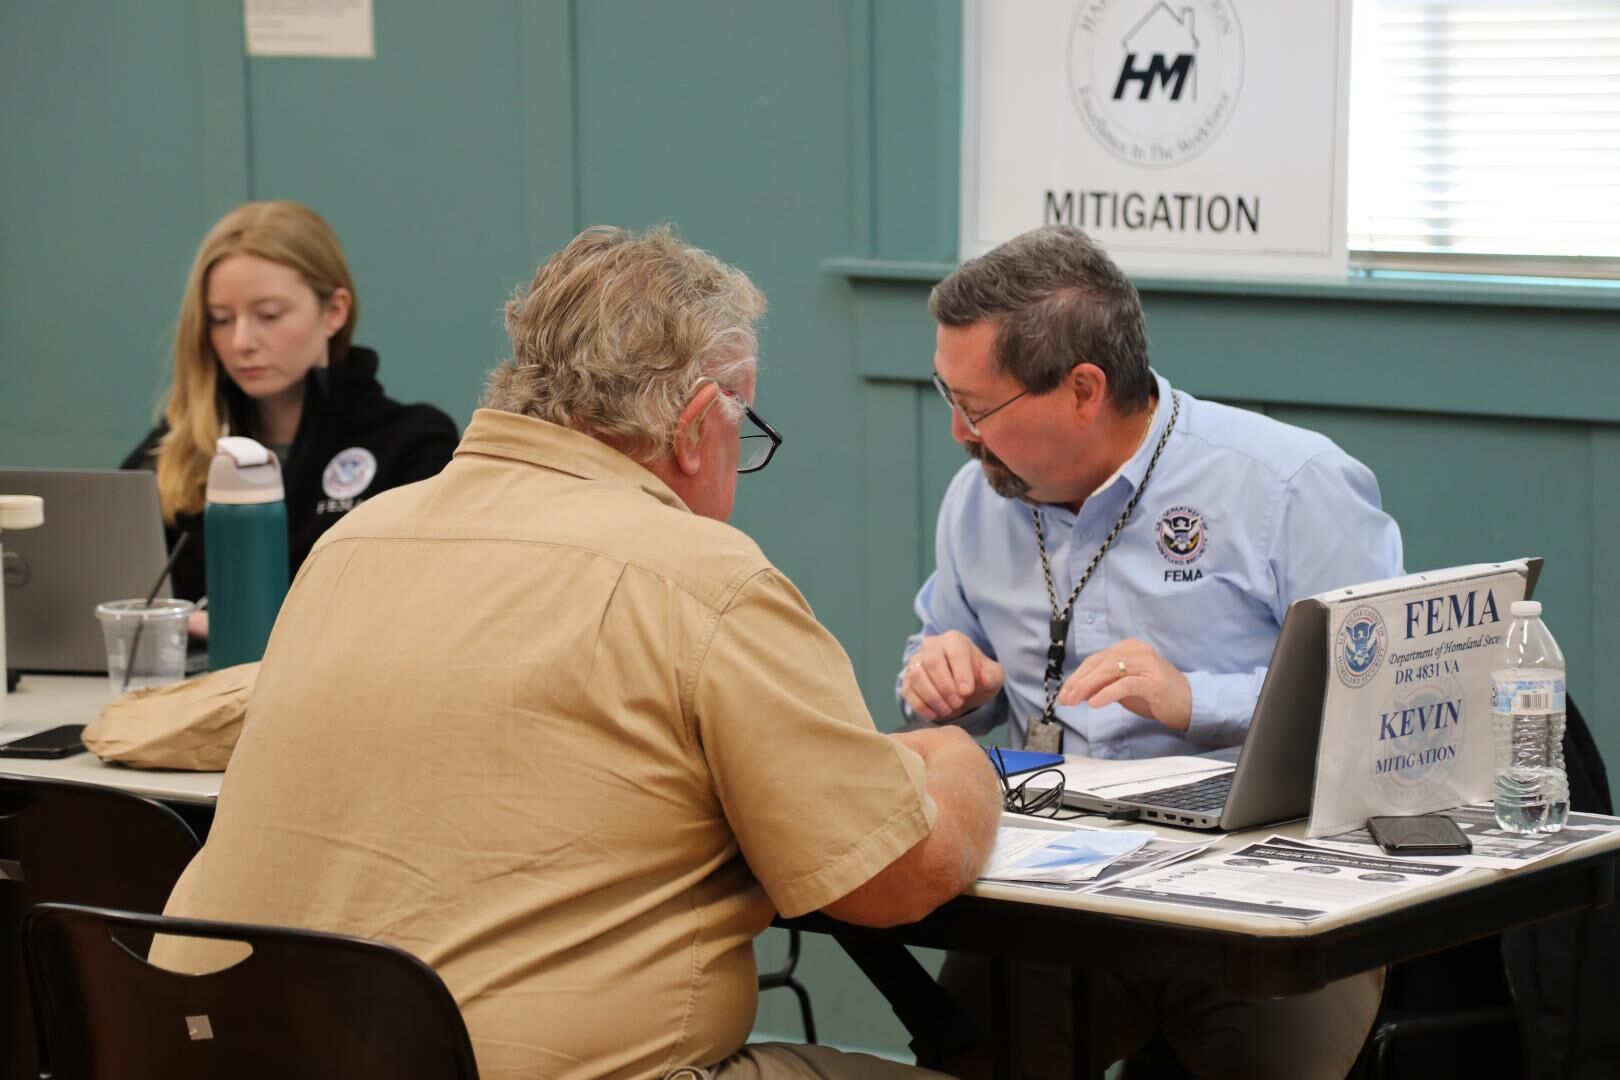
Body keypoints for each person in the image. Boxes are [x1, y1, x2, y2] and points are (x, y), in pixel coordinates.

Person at [151, 225, 1002, 1080]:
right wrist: (958, 761)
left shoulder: (356, 539)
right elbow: (887, 881)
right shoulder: (702, 576)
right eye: (746, 424)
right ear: (700, 424)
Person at [899, 224, 1404, 1078]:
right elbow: (943, 655)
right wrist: (952, 678)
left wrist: (1198, 701)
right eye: (948, 397)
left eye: (977, 407)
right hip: (1049, 893)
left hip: (1260, 894)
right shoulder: (978, 498)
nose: (959, 432)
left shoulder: (1289, 486)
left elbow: (1382, 698)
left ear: (1083, 389)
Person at [121, 201, 458, 618]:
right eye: (221, 320)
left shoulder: (413, 445)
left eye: (268, 315)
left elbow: (414, 609)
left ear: (334, 311)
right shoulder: (178, 446)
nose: (241, 341)